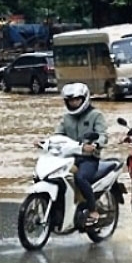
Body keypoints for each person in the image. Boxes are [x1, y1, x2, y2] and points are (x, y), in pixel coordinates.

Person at [52, 82, 108, 224]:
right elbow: (58, 135)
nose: (74, 103)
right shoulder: (66, 118)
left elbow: (103, 135)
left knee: (80, 177)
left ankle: (93, 209)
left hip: (89, 159)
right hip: (69, 158)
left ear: (84, 99)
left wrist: (95, 144)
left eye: (77, 99)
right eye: (71, 100)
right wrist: (46, 142)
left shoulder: (96, 115)